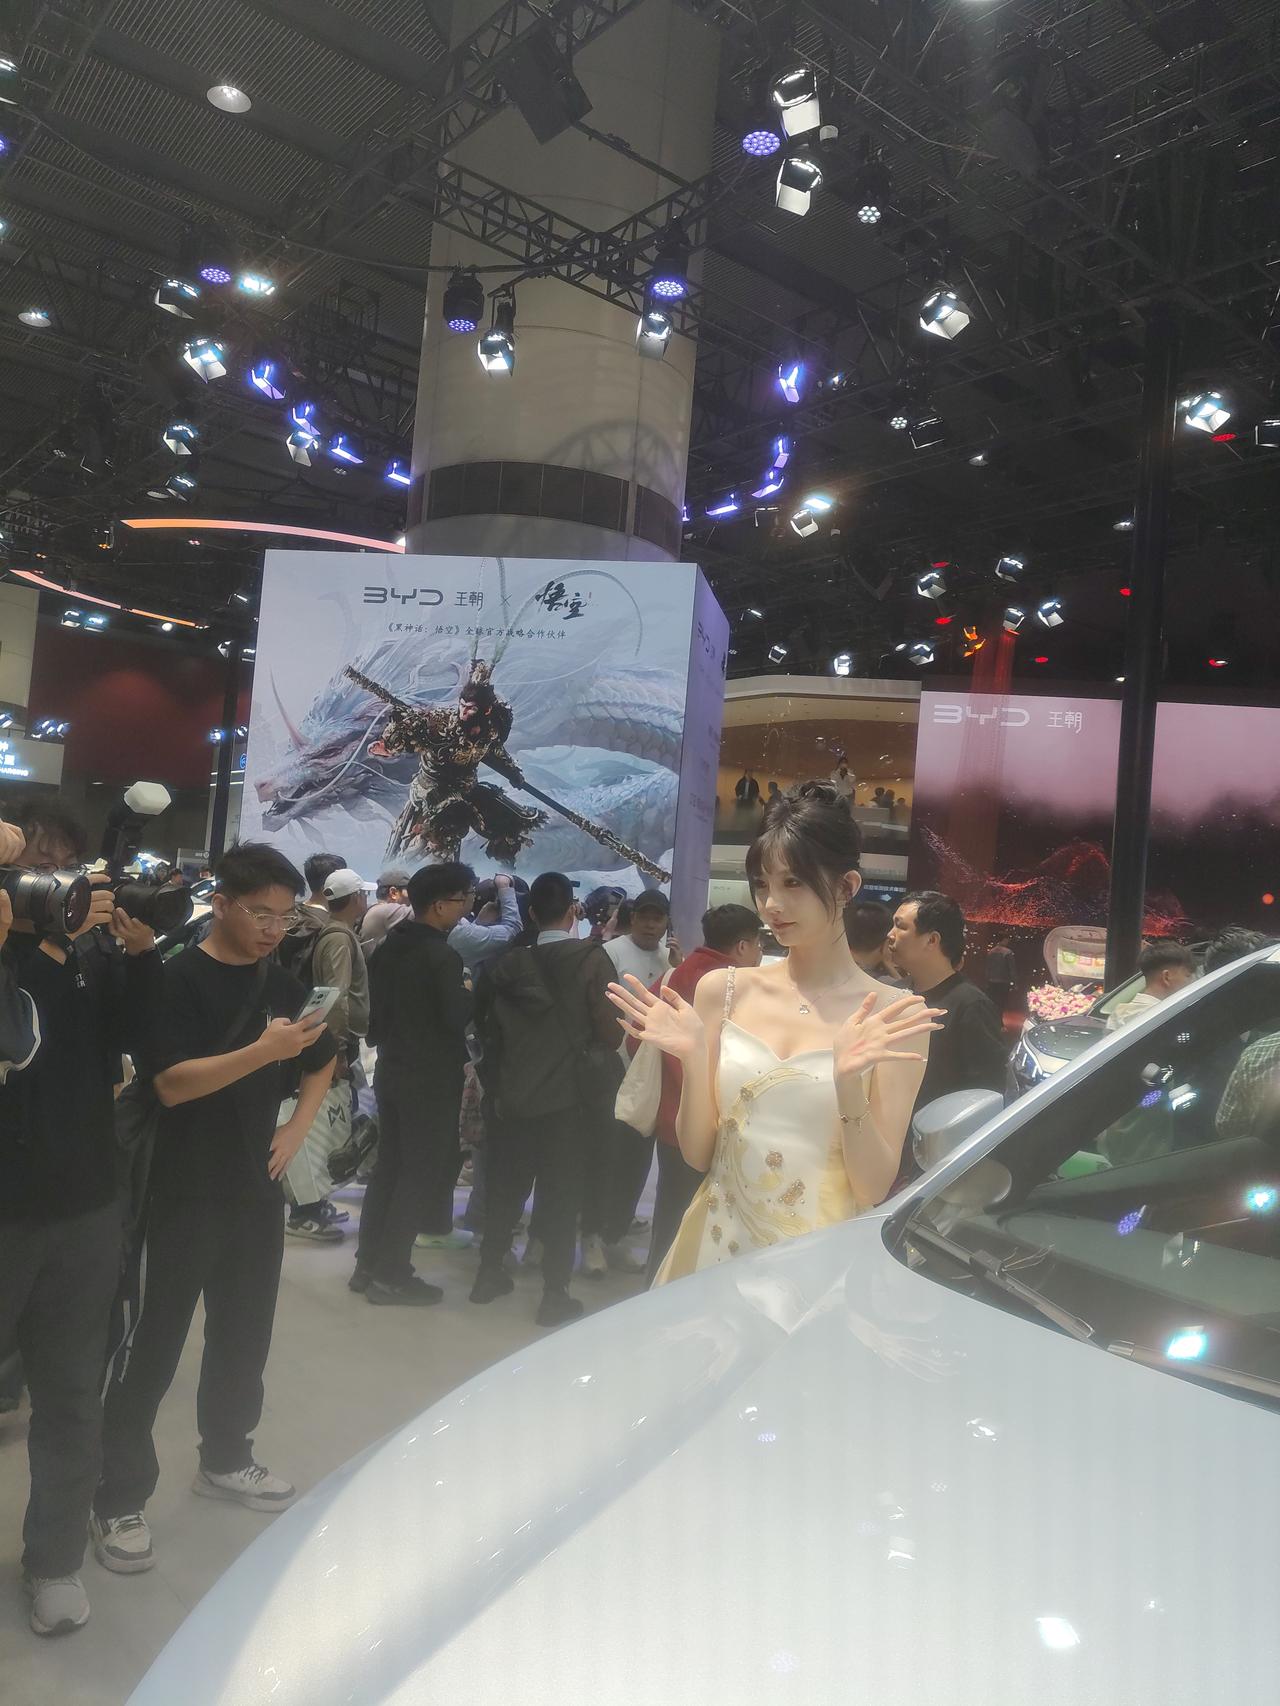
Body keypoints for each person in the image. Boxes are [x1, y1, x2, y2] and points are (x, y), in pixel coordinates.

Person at [92, 843, 335, 1578]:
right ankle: (117, 1498)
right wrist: (265, 1052)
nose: (271, 929)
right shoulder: (174, 980)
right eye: (260, 913)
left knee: (244, 1334)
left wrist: (297, 1128)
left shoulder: (281, 982)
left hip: (252, 1192)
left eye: (284, 917)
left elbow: (322, 1055)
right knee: (153, 1347)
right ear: (221, 903)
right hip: (176, 1192)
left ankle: (226, 1457)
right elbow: (172, 1085)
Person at [609, 784, 942, 1283]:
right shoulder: (723, 991)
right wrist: (694, 1058)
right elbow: (699, 1156)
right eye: (761, 884)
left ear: (847, 886)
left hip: (813, 1270)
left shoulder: (895, 1018)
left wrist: (848, 1083)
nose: (771, 904)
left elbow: (871, 1187)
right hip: (713, 1251)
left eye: (793, 883)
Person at [0, 803, 162, 1636]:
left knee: (71, 1396)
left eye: (61, 868)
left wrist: (136, 953)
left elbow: (138, 1044)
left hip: (85, 1207)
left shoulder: (86, 956)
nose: (48, 883)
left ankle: (56, 1558)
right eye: (30, 867)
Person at [470, 873, 621, 1327]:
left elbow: (485, 1028)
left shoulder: (506, 964)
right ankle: (555, 1293)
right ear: (573, 910)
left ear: (532, 913)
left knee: (506, 1188)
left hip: (513, 1096)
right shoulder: (592, 960)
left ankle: (488, 1275)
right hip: (569, 1101)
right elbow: (610, 1032)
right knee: (561, 1193)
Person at [353, 862, 475, 1302]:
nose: (467, 907)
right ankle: (392, 1274)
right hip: (431, 1077)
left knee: (389, 1166)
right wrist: (470, 992)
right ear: (440, 905)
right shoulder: (442, 956)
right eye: (464, 899)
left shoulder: (390, 946)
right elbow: (455, 1017)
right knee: (418, 1171)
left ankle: (367, 1265)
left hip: (392, 1068)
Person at [641, 904, 763, 1284]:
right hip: (714, 1125)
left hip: (670, 1120)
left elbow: (639, 1037)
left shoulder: (676, 973)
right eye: (758, 944)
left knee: (669, 1216)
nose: (760, 953)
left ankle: (654, 1290)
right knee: (706, 1226)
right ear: (742, 946)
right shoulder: (737, 988)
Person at [582, 892, 684, 1277]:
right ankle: (590, 1236)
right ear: (633, 917)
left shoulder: (669, 959)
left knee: (635, 1164)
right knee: (604, 1159)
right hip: (612, 1071)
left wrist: (678, 968)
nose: (651, 925)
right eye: (645, 917)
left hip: (651, 1075)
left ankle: (614, 1236)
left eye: (658, 918)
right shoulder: (610, 953)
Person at [280, 867, 371, 1241]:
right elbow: (335, 996)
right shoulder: (337, 937)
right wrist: (336, 1051)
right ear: (356, 899)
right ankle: (305, 1209)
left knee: (326, 1126)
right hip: (330, 1045)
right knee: (319, 1129)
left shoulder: (331, 931)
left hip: (323, 1043)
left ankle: (313, 1203)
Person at [886, 892, 1010, 1115]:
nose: (890, 934)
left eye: (900, 926)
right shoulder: (896, 992)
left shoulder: (971, 1005)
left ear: (932, 940)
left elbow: (986, 1091)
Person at [1106, 941, 1197, 1031]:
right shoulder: (1165, 1018)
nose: (1191, 982)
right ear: (1166, 977)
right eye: (1188, 976)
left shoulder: (1119, 1014)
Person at [450, 872, 522, 975]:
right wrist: (504, 887)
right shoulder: (459, 933)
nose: (474, 897)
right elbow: (513, 930)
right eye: (472, 891)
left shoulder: (449, 924)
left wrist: (478, 923)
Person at [360, 868, 412, 962]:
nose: (413, 896)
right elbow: (425, 912)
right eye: (410, 890)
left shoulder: (374, 909)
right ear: (393, 892)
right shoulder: (386, 910)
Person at [844, 897, 901, 983]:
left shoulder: (829, 970)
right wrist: (890, 966)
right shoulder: (887, 983)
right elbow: (903, 989)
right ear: (886, 944)